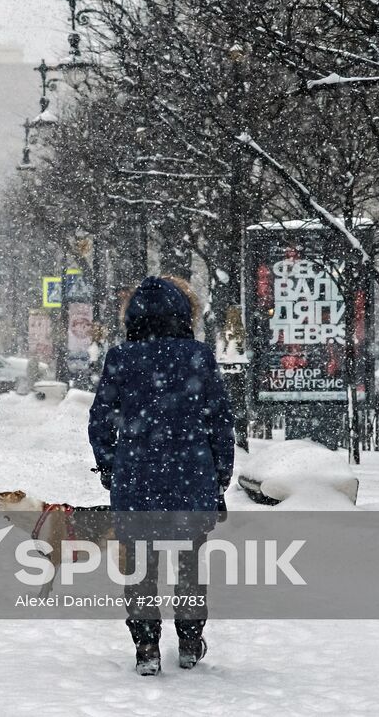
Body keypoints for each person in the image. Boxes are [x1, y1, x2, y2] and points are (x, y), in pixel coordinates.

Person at [87, 276, 234, 677]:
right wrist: (220, 474)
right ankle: (189, 640)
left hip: (136, 478)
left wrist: (110, 466)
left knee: (139, 564)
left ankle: (147, 645)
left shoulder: (120, 357)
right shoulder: (199, 357)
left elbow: (100, 420)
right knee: (189, 561)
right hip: (191, 476)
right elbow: (219, 420)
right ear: (183, 314)